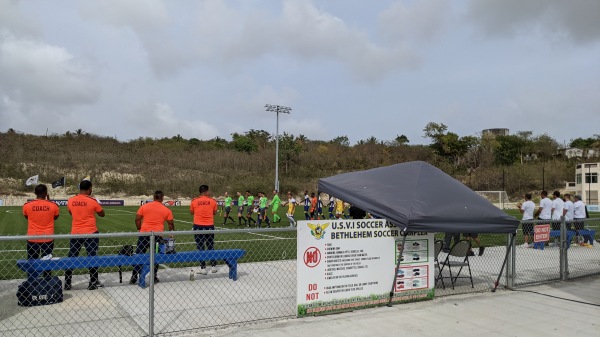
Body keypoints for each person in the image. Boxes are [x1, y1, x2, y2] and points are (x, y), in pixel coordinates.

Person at [65, 180, 105, 290]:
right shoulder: (92, 201)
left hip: (75, 233)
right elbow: (102, 214)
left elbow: (70, 212)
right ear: (89, 189)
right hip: (90, 233)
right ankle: (93, 282)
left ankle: (67, 282)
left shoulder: (71, 200)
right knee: (92, 257)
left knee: (71, 257)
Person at [130, 190, 174, 285]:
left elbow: (137, 219)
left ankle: (134, 276)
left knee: (139, 255)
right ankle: (153, 277)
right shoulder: (166, 209)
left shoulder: (144, 206)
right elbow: (170, 224)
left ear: (154, 197)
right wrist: (171, 234)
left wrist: (139, 229)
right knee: (155, 256)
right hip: (157, 236)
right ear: (162, 198)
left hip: (144, 234)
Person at [22, 184, 60, 278]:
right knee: (47, 262)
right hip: (47, 238)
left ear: (35, 193)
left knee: (32, 261)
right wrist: (49, 201)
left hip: (32, 238)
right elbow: (55, 217)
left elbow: (27, 217)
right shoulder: (53, 206)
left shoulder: (27, 205)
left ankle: (32, 283)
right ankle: (47, 282)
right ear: (46, 193)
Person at [190, 184, 218, 275]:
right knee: (210, 245)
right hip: (209, 225)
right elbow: (214, 213)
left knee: (200, 246)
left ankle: (203, 268)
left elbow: (191, 212)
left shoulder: (194, 201)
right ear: (207, 191)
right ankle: (213, 266)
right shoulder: (212, 201)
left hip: (198, 225)